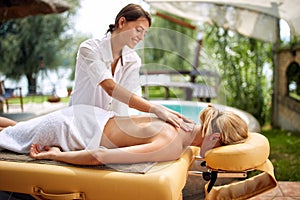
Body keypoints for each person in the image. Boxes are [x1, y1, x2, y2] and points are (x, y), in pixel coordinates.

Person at [70, 3, 192, 131]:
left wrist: (163, 110)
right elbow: (111, 88)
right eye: (139, 30)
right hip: (79, 123)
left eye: (145, 33)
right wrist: (154, 109)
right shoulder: (90, 49)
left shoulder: (133, 60)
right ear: (122, 22)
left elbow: (130, 97)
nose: (141, 37)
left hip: (107, 125)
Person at [0, 104, 248, 165]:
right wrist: (56, 156)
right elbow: (99, 156)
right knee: (9, 137)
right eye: (221, 148)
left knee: (15, 130)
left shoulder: (181, 120)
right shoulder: (172, 146)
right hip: (67, 130)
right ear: (214, 138)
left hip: (82, 116)